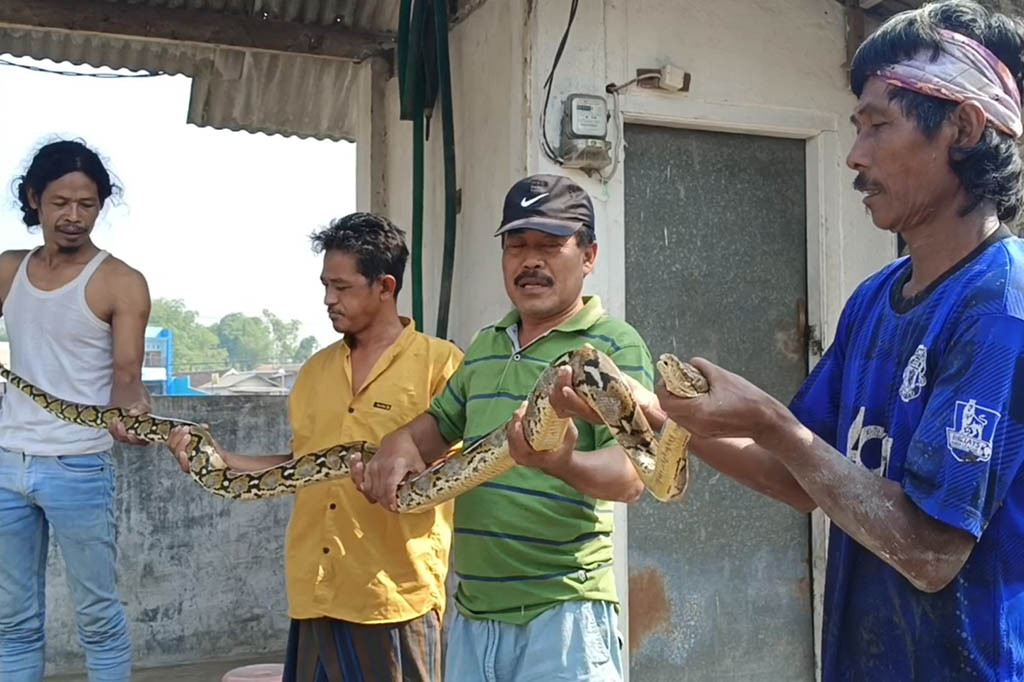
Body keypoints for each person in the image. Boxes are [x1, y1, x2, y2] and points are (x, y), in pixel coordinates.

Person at [555, 2, 1024, 679]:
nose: (854, 156)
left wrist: (773, 422)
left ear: (964, 127)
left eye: (877, 127)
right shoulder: (876, 299)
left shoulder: (1002, 306)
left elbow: (929, 553)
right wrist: (634, 407)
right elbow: (797, 475)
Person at [354, 174, 654, 681]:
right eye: (516, 246)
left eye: (549, 245)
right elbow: (433, 428)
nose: (530, 261)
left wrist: (562, 462)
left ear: (589, 256)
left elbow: (632, 476)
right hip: (473, 616)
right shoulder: (486, 346)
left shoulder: (612, 346)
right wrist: (397, 449)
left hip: (563, 615)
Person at [166, 212, 462, 682]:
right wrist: (222, 460)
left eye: (341, 287)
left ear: (385, 286)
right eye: (325, 284)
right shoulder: (314, 372)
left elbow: (450, 473)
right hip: (315, 592)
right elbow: (302, 465)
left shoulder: (441, 365)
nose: (328, 299)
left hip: (392, 598)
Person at [0, 140, 152, 681]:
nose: (73, 216)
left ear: (100, 206)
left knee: (98, 617)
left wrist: (130, 412)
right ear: (34, 199)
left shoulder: (120, 281)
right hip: (7, 464)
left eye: (86, 204)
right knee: (12, 621)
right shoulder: (8, 270)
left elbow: (127, 376)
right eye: (60, 202)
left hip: (78, 465)